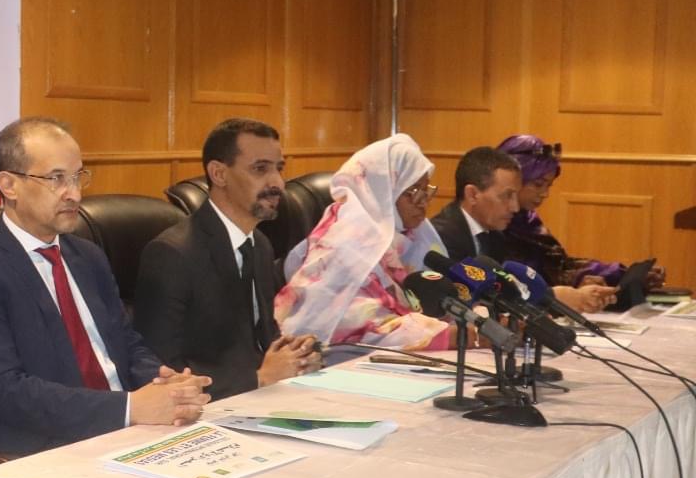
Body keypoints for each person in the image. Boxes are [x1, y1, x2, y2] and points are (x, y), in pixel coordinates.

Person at [0, 117, 210, 455]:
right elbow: (4, 391)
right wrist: (129, 408)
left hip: (124, 432)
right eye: (57, 179)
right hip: (34, 450)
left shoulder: (87, 256)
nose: (75, 193)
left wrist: (165, 382)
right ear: (9, 185)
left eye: (78, 176)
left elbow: (125, 345)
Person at [135, 119, 322, 399]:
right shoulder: (172, 254)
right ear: (219, 174)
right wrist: (259, 378)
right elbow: (162, 370)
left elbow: (261, 340)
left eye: (279, 169)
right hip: (206, 409)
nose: (278, 183)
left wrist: (296, 356)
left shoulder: (259, 245)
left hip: (259, 399)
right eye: (260, 169)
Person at [274, 133, 456, 350]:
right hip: (338, 359)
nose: (423, 202)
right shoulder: (347, 240)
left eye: (427, 190)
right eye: (413, 191)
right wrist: (448, 335)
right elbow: (354, 325)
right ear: (383, 191)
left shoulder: (413, 237)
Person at [432, 146, 615, 314]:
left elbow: (506, 290)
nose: (515, 207)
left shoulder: (494, 236)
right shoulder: (441, 237)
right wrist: (554, 298)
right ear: (473, 194)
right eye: (507, 196)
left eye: (515, 196)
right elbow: (468, 303)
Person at [496, 134, 667, 291]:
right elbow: (517, 284)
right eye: (538, 184)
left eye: (548, 185)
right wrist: (575, 284)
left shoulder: (527, 220)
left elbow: (559, 266)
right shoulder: (494, 223)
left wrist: (623, 274)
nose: (545, 194)